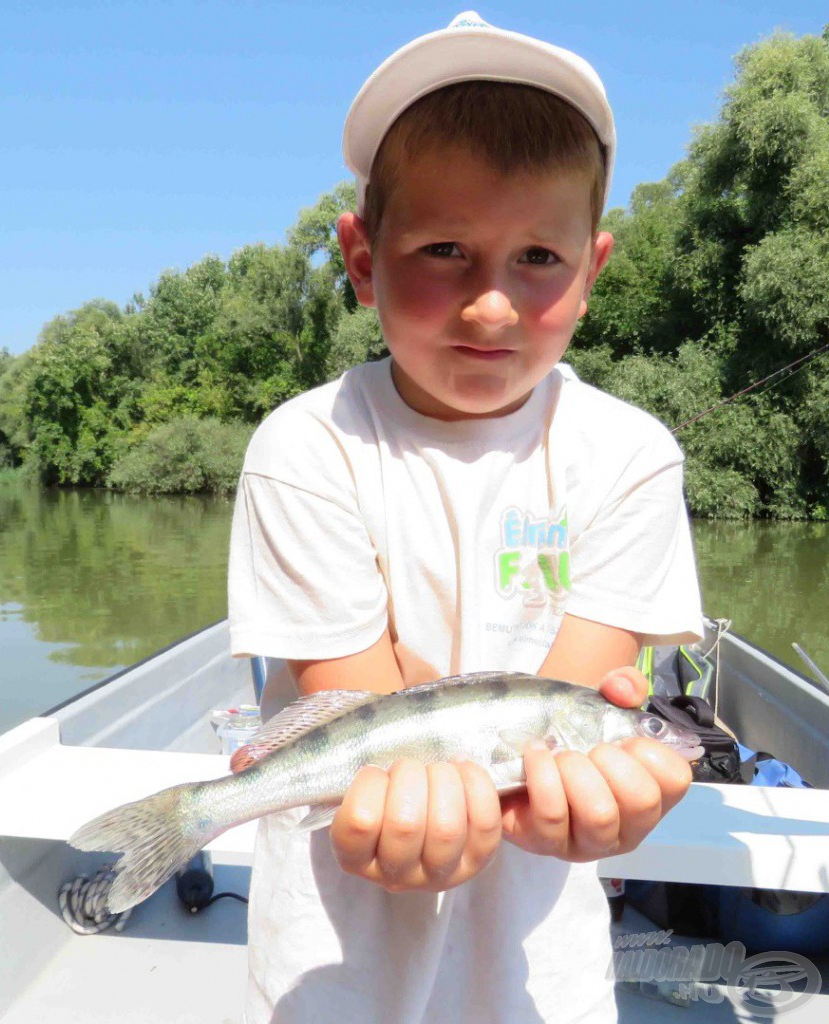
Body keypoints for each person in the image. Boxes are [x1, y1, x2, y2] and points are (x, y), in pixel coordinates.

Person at [228, 11, 703, 1024]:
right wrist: (419, 799)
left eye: (539, 256)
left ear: (594, 270)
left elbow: (567, 721)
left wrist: (588, 805)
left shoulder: (629, 455)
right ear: (361, 258)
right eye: (445, 248)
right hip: (333, 973)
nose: (491, 305)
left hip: (542, 978)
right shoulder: (305, 449)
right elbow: (355, 716)